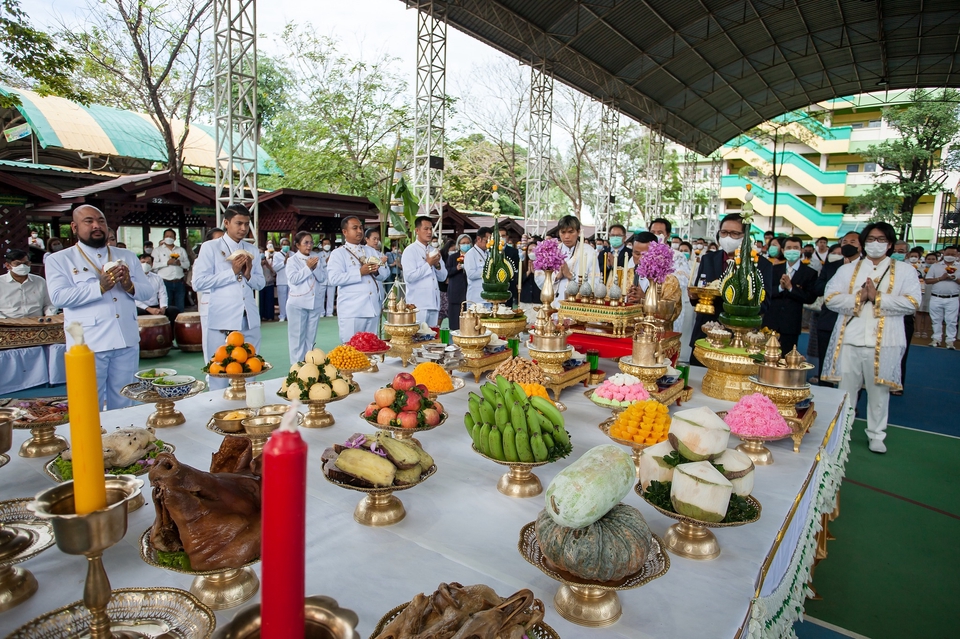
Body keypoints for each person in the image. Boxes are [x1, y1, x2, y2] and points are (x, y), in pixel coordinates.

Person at [823, 222, 921, 453]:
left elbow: (912, 302)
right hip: (849, 338)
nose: (875, 244)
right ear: (864, 243)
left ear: (889, 244)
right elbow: (831, 298)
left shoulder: (905, 271)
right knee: (845, 390)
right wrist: (859, 297)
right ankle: (842, 431)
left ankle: (877, 434)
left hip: (884, 340)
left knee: (879, 391)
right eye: (870, 239)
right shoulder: (847, 270)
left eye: (881, 240)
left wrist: (878, 298)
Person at [46, 205, 153, 409]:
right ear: (75, 227)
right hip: (89, 342)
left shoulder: (127, 255)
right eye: (89, 221)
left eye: (101, 221)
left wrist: (130, 286)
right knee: (87, 403)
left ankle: (123, 438)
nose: (97, 226)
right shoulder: (60, 259)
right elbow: (59, 297)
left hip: (126, 339)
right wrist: (99, 287)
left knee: (126, 400)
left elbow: (148, 292)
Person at [192, 204, 264, 389]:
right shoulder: (211, 247)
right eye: (238, 223)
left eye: (246, 224)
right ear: (226, 223)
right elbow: (198, 282)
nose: (243, 228)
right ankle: (218, 410)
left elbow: (261, 283)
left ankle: (248, 407)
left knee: (250, 367)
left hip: (248, 316)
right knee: (219, 370)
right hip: (222, 316)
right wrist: (232, 272)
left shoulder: (252, 250)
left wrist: (248, 275)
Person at [689, 213, 773, 359]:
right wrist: (694, 296)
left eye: (734, 233)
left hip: (740, 338)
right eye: (724, 232)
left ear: (745, 236)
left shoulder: (761, 265)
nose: (728, 237)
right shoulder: (708, 259)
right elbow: (699, 291)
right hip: (706, 332)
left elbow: (764, 304)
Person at [327, 217, 390, 343]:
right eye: (354, 228)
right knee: (352, 350)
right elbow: (334, 279)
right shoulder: (338, 254)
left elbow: (385, 273)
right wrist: (360, 272)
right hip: (353, 310)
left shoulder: (371, 251)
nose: (359, 231)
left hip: (372, 307)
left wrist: (376, 271)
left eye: (361, 227)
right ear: (345, 232)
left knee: (371, 348)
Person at [813, 233, 861, 386]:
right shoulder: (832, 266)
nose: (848, 244)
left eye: (853, 242)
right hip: (829, 320)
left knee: (851, 367)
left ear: (861, 245)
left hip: (854, 323)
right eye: (844, 241)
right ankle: (824, 396)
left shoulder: (867, 268)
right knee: (825, 361)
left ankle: (849, 402)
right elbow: (818, 288)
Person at [762, 236, 818, 355]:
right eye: (789, 248)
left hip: (791, 324)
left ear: (801, 250)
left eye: (795, 247)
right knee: (765, 356)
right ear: (782, 250)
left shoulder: (809, 273)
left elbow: (810, 297)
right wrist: (780, 288)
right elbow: (766, 291)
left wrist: (791, 288)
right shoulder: (774, 269)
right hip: (771, 321)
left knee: (786, 358)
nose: (792, 250)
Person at [534, 215, 600, 306]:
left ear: (578, 232)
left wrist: (569, 275)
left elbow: (594, 283)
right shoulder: (552, 250)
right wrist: (556, 277)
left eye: (570, 232)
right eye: (563, 232)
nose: (566, 236)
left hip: (578, 304)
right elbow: (539, 278)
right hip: (554, 303)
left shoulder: (589, 252)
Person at [285, 231, 328, 364]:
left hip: (314, 303)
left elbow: (322, 278)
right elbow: (293, 279)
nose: (309, 246)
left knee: (310, 338)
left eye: (311, 242)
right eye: (305, 243)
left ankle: (309, 365)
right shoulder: (292, 260)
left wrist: (314, 268)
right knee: (297, 338)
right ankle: (296, 368)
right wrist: (308, 268)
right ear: (298, 245)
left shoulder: (316, 258)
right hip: (297, 303)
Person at [401, 216, 447, 326]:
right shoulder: (410, 251)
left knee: (432, 339)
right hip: (418, 304)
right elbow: (410, 277)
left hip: (434, 302)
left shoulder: (433, 250)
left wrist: (437, 265)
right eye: (426, 229)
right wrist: (428, 264)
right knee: (417, 338)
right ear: (417, 230)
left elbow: (443, 277)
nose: (429, 232)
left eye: (431, 229)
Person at [0, 250, 56, 318]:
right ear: (8, 265)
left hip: (38, 322)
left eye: (26, 263)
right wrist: (5, 321)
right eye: (18, 264)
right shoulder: (1, 282)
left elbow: (50, 303)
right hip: (7, 324)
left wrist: (49, 316)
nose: (22, 266)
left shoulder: (40, 281)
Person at [925, 244, 960, 349]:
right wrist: (941, 278)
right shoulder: (935, 266)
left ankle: (950, 341)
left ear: (957, 254)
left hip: (952, 298)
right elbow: (928, 280)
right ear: (943, 253)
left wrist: (954, 278)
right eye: (948, 253)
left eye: (953, 254)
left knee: (951, 320)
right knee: (936, 319)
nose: (950, 256)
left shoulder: (959, 266)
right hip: (936, 297)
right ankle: (936, 339)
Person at [151, 228, 190, 312]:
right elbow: (153, 265)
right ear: (164, 237)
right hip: (164, 282)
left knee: (180, 307)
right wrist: (167, 262)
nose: (169, 238)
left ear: (175, 238)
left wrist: (180, 263)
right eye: (167, 236)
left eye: (171, 236)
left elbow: (187, 264)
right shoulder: (158, 250)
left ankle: (179, 324)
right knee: (166, 306)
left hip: (179, 282)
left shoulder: (181, 250)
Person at [136, 254, 180, 322]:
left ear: (152, 264)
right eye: (143, 262)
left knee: (174, 310)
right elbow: (133, 299)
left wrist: (163, 307)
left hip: (155, 306)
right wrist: (149, 309)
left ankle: (170, 331)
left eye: (148, 262)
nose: (145, 264)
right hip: (141, 307)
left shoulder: (157, 277)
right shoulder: (132, 278)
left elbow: (163, 294)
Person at [446, 234, 471, 330]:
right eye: (463, 243)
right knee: (455, 322)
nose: (466, 245)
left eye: (468, 243)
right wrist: (456, 268)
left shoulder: (472, 256)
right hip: (455, 292)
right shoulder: (453, 257)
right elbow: (447, 272)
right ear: (459, 245)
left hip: (468, 292)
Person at [625, 232, 656, 303]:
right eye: (637, 254)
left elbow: (674, 310)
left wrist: (645, 298)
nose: (641, 259)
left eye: (646, 254)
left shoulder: (668, 281)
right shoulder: (625, 275)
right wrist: (626, 300)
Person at [465, 227, 491, 306]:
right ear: (479, 239)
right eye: (487, 241)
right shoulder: (470, 254)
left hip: (488, 297)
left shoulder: (488, 253)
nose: (489, 244)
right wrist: (487, 271)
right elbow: (470, 274)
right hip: (475, 299)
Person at [518, 238, 542, 322]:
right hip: (525, 300)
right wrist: (528, 273)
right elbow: (518, 283)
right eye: (530, 250)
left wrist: (536, 273)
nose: (532, 252)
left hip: (538, 300)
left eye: (534, 250)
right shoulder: (522, 264)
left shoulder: (544, 266)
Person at [497, 227, 520, 306]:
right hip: (495, 287)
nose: (501, 238)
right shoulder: (491, 250)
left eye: (503, 236)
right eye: (499, 236)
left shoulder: (513, 251)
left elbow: (515, 267)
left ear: (507, 237)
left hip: (508, 286)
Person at [260, 243, 277, 321]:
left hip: (269, 283)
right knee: (261, 301)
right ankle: (261, 316)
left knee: (269, 301)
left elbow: (274, 272)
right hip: (260, 284)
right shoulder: (255, 263)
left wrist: (268, 265)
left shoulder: (270, 261)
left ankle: (270, 316)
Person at [276, 237, 291, 321]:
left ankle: (289, 316)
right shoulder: (277, 255)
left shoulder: (293, 254)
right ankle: (282, 315)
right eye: (284, 244)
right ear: (281, 245)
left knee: (290, 299)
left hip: (291, 280)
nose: (286, 246)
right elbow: (275, 267)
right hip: (281, 280)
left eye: (287, 244)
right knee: (282, 299)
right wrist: (284, 261)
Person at [320, 238, 336, 317]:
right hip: (322, 279)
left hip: (331, 278)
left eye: (328, 244)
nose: (327, 245)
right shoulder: (319, 255)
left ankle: (329, 312)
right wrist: (325, 261)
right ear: (322, 245)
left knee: (331, 296)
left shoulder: (334, 254)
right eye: (325, 244)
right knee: (321, 297)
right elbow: (318, 266)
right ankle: (321, 312)